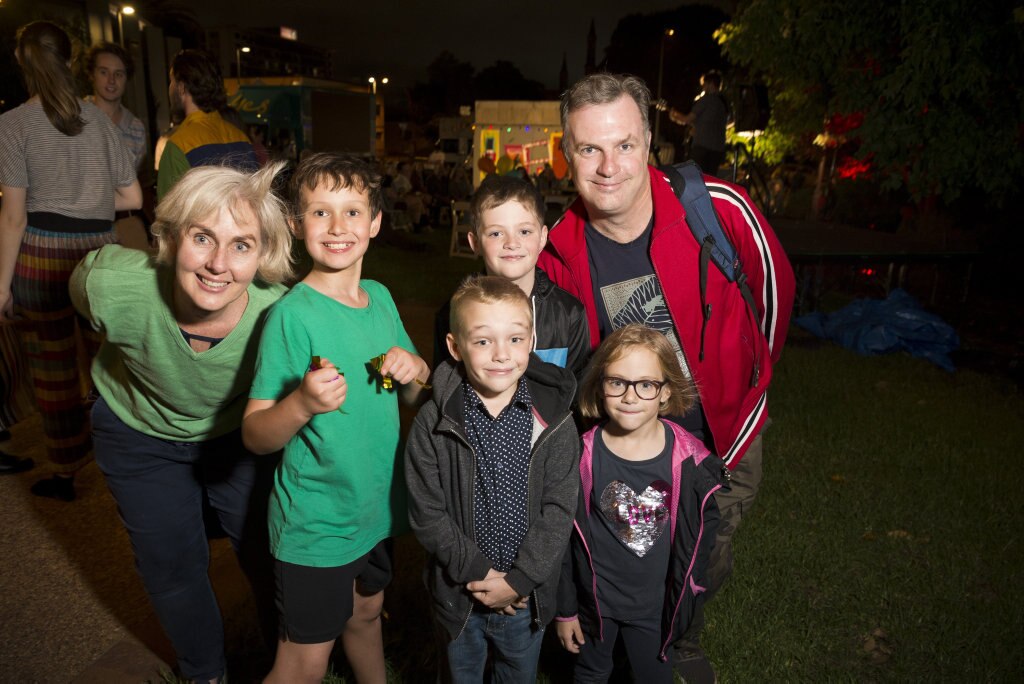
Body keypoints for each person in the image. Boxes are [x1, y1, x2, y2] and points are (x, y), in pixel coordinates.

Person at [536, 73, 795, 682]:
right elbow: (561, 368)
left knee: (709, 546)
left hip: (725, 432)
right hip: (630, 450)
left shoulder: (716, 208)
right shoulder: (558, 251)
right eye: (589, 149)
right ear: (564, 154)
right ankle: (627, 634)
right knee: (631, 553)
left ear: (649, 142)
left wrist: (751, 378)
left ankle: (682, 636)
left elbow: (774, 293)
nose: (608, 167)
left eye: (624, 144)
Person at [71, 161, 293, 682]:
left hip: (235, 436)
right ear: (170, 239)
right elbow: (79, 304)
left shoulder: (279, 315)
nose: (218, 263)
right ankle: (205, 673)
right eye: (202, 237)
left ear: (263, 256)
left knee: (268, 552)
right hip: (136, 432)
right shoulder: (110, 285)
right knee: (170, 565)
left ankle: (288, 663)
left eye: (242, 244)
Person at [243, 152, 430, 684]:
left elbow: (411, 394)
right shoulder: (291, 316)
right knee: (304, 662)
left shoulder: (381, 299)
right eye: (320, 212)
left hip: (372, 511)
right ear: (297, 226)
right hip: (318, 526)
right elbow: (255, 435)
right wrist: (301, 403)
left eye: (352, 211)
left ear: (374, 223)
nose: (337, 226)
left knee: (367, 614)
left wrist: (415, 368)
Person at [405, 275, 580, 683]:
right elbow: (426, 512)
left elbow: (559, 511)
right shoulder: (433, 422)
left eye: (515, 339)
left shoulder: (554, 421)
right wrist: (479, 573)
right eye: (483, 341)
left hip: (525, 601)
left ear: (531, 340)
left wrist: (518, 581)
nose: (502, 354)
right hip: (458, 599)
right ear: (454, 347)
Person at [0, 20, 141, 502]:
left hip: (42, 252)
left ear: (23, 62)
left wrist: (1, 286)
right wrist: (89, 199)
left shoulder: (14, 123)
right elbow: (133, 194)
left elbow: (13, 217)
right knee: (107, 360)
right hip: (99, 250)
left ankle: (65, 471)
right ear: (69, 58)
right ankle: (122, 457)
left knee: (53, 367)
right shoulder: (100, 120)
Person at [555, 324, 722, 682]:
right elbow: (564, 542)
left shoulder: (689, 463)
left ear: (666, 392)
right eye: (618, 382)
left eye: (646, 384)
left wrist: (690, 589)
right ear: (601, 385)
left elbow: (702, 537)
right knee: (591, 672)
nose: (630, 396)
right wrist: (566, 610)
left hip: (655, 609)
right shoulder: (580, 455)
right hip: (594, 605)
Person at [431, 174, 590, 380]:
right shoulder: (452, 313)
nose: (512, 243)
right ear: (475, 242)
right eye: (496, 234)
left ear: (543, 237)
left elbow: (579, 393)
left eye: (524, 231)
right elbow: (444, 389)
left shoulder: (568, 313)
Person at [157, 49, 257, 200]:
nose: (170, 87)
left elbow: (168, 217)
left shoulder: (178, 145)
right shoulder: (242, 139)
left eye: (171, 81)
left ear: (182, 87)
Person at [84, 41, 147, 172]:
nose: (111, 80)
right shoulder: (75, 116)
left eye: (118, 74)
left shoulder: (136, 129)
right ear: (92, 75)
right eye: (104, 72)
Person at [668, 70, 730, 177]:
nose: (703, 87)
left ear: (710, 84)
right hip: (718, 149)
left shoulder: (705, 100)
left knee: (696, 179)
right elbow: (729, 122)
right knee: (711, 180)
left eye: (705, 84)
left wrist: (674, 115)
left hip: (702, 147)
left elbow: (687, 119)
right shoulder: (724, 103)